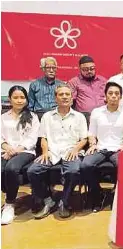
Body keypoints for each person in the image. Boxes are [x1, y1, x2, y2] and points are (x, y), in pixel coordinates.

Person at [27, 84, 88, 219]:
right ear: (55, 98)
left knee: (73, 171)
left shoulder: (79, 117)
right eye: (61, 94)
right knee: (32, 171)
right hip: (52, 151)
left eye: (67, 94)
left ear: (72, 98)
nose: (64, 97)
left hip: (71, 151)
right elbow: (43, 138)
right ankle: (48, 199)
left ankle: (64, 202)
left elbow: (84, 139)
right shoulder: (47, 116)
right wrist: (44, 152)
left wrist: (76, 149)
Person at [81, 82, 123, 212]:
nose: (113, 96)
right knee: (85, 165)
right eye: (110, 93)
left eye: (117, 94)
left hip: (118, 148)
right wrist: (92, 144)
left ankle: (116, 194)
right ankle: (97, 193)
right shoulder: (96, 112)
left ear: (121, 97)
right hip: (100, 148)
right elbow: (92, 132)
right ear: (105, 96)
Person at [1, 86, 40, 225]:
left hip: (25, 151)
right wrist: (7, 147)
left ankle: (9, 204)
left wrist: (15, 150)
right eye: (15, 97)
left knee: (11, 168)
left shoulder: (32, 117)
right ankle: (8, 197)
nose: (19, 100)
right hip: (5, 151)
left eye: (22, 97)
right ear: (10, 99)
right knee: (2, 170)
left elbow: (32, 139)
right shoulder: (3, 117)